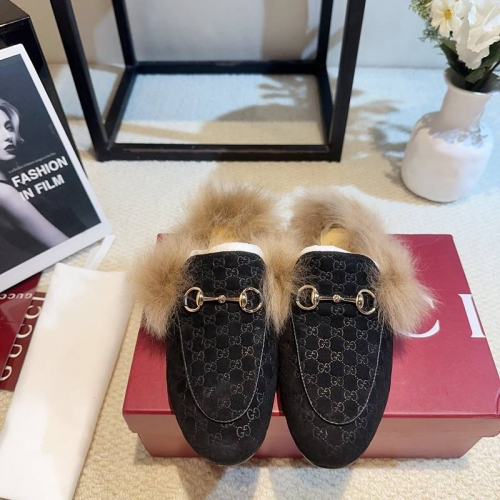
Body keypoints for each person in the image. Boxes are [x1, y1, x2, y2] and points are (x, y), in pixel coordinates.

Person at [0, 98, 68, 256]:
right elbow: (64, 245)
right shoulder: (4, 193)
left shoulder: (13, 176)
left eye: (9, 128)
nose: (8, 136)